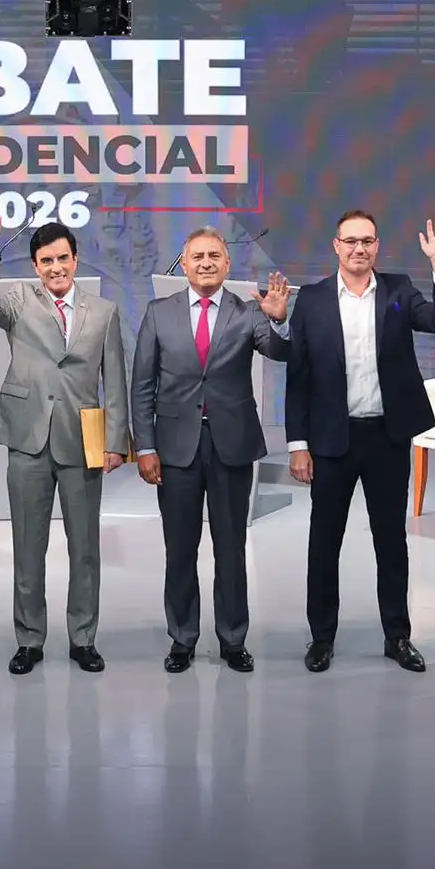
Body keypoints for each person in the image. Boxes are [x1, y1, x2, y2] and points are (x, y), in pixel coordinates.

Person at [287, 212, 435, 674]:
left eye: (367, 241)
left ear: (377, 246)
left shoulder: (399, 291)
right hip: (331, 440)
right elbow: (298, 375)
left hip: (387, 437)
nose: (358, 249)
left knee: (391, 541)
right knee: (324, 542)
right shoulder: (313, 299)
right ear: (336, 246)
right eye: (351, 241)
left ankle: (397, 636)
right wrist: (298, 444)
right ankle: (322, 638)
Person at [0, 199, 128, 675]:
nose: (55, 267)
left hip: (83, 440)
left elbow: (115, 379)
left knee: (85, 549)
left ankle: (83, 638)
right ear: (35, 267)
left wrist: (116, 440)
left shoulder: (104, 311)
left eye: (62, 258)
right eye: (46, 261)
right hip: (28, 437)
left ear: (75, 260)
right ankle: (29, 640)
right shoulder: (19, 300)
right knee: (27, 546)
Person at [132, 226, 290, 673]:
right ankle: (182, 638)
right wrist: (144, 446)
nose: (206, 263)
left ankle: (233, 639)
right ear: (184, 264)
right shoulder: (159, 313)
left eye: (214, 256)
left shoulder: (249, 311)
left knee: (231, 548)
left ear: (227, 263)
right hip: (175, 448)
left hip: (231, 446)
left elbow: (280, 352)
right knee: (180, 549)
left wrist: (279, 321)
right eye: (197, 256)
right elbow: (142, 385)